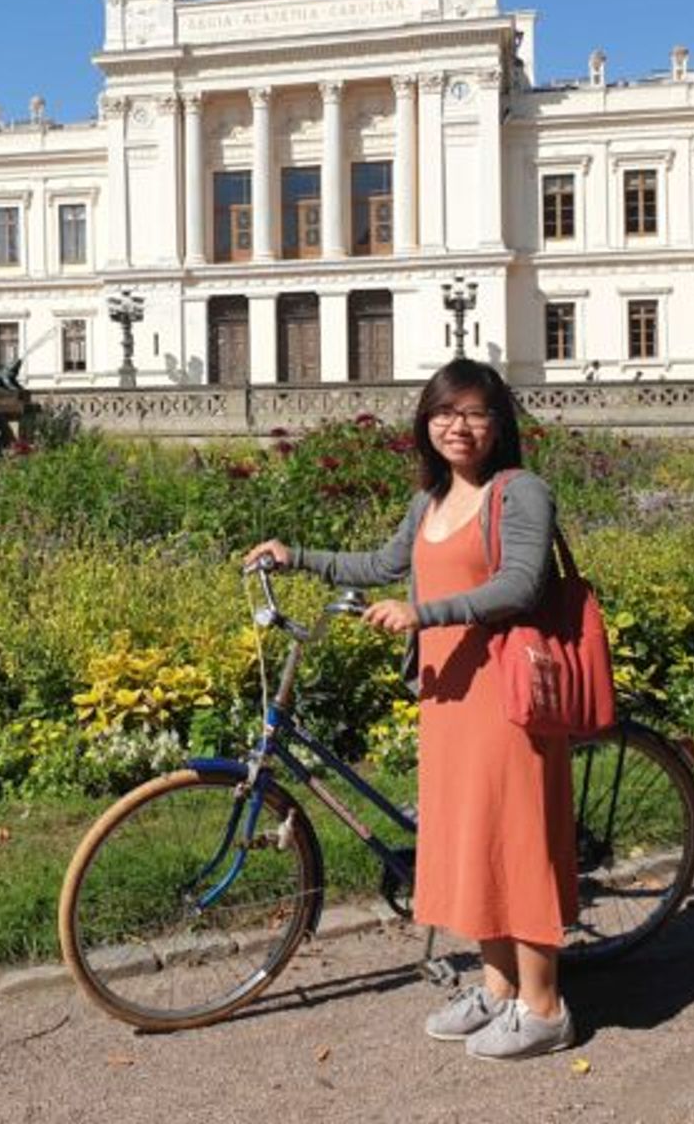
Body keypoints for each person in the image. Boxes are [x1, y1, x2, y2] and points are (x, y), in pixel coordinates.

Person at [244, 358, 577, 1061]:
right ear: (426, 422)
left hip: (506, 693)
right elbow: (383, 564)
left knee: (516, 841)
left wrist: (426, 614)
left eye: (475, 413)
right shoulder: (428, 502)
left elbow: (520, 584)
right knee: (470, 838)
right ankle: (498, 987)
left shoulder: (520, 493)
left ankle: (544, 1004)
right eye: (445, 412)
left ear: (499, 423)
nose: (459, 426)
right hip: (448, 694)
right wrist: (294, 554)